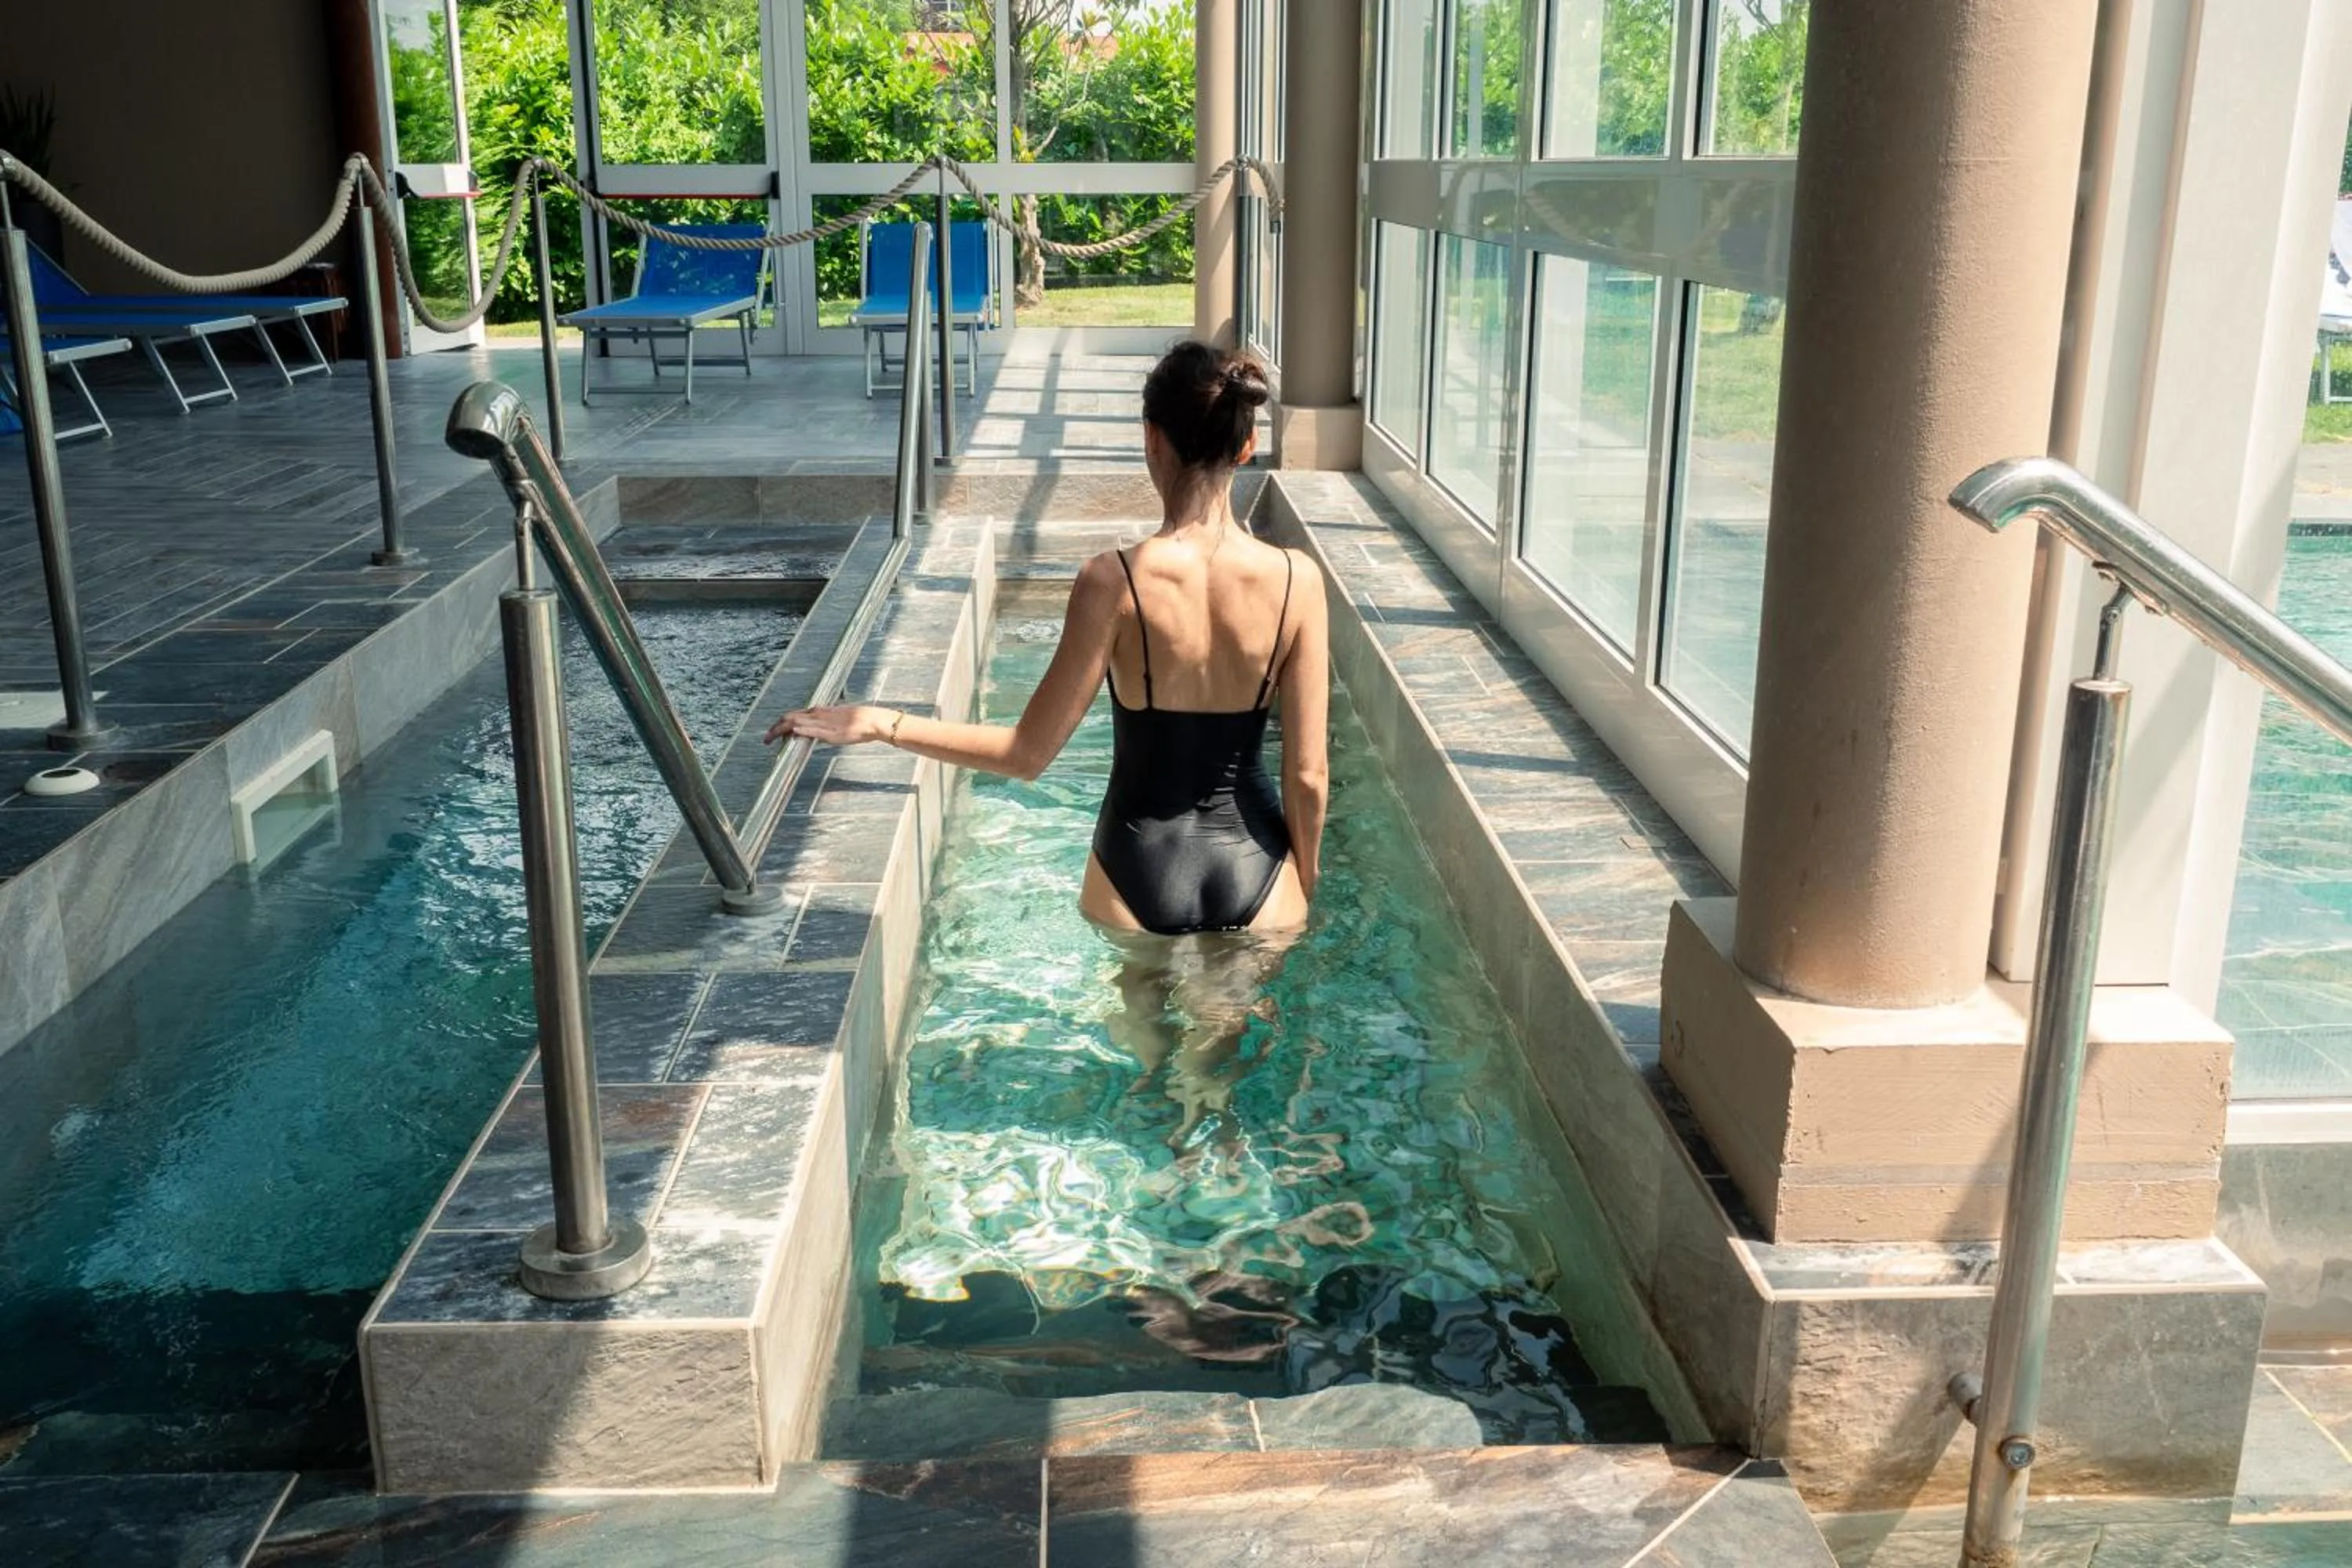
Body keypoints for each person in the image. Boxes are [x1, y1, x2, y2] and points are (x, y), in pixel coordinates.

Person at [768, 339, 1330, 1145]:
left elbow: (1027, 754)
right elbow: (1308, 774)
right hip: (1258, 869)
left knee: (1148, 1060)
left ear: (1151, 439)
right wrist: (1301, 881)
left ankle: (1156, 1134)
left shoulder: (1114, 579)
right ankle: (1220, 1178)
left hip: (1137, 865)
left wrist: (883, 721)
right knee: (1218, 1072)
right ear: (1246, 445)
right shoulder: (1297, 579)